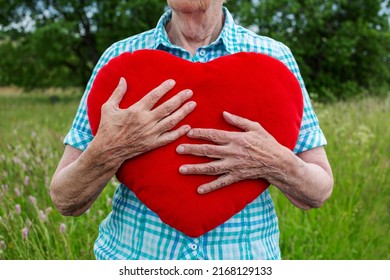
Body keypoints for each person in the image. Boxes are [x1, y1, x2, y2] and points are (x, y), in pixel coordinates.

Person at [50, 0, 333, 260]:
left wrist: (274, 161)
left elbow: (318, 191)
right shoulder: (120, 60)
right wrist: (111, 148)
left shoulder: (274, 57)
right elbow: (65, 199)